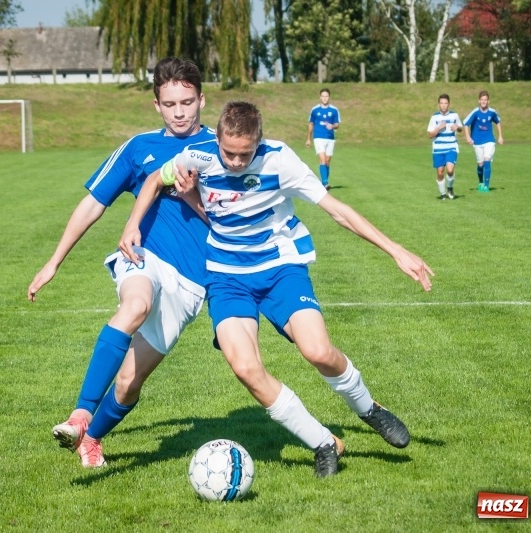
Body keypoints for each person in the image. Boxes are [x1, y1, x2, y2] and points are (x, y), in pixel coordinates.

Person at [120, 101, 434, 478]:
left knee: (318, 352)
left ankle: (370, 410)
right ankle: (323, 443)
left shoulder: (280, 160)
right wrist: (132, 225)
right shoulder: (198, 155)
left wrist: (396, 250)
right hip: (226, 276)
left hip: (280, 268)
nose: (237, 162)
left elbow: (337, 210)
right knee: (245, 367)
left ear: (259, 141)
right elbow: (155, 179)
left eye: (245, 154)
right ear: (217, 140)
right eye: (229, 153)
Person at [26, 57, 214, 468]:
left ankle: (91, 438)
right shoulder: (138, 148)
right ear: (156, 105)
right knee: (135, 305)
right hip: (143, 256)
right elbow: (93, 205)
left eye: (187, 102)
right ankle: (80, 414)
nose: (179, 112)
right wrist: (54, 262)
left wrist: (193, 198)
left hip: (192, 282)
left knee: (129, 382)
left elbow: (236, 223)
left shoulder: (224, 150)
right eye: (169, 104)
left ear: (202, 99)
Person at [463, 90, 504, 192]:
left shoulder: (492, 112)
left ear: (488, 101)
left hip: (489, 140)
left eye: (485, 100)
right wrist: (468, 137)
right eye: (482, 99)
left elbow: (498, 122)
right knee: (480, 164)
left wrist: (500, 136)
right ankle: (481, 182)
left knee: (487, 159)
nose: (483, 101)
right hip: (477, 142)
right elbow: (465, 123)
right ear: (479, 100)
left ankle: (486, 185)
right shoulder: (475, 112)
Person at [427, 93, 463, 200]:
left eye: (445, 103)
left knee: (450, 170)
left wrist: (457, 127)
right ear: (438, 104)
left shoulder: (454, 115)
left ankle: (450, 188)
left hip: (451, 147)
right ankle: (443, 194)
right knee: (440, 173)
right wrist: (439, 128)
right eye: (441, 103)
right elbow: (430, 135)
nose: (443, 105)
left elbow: (460, 128)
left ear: (449, 104)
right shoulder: (434, 117)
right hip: (438, 149)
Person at [306, 88, 340, 190]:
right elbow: (311, 124)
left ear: (329, 97)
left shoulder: (334, 110)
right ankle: (325, 183)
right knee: (323, 159)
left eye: (326, 96)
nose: (325, 98)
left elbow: (337, 124)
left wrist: (332, 126)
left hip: (330, 138)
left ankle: (324, 181)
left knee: (328, 161)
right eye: (323, 96)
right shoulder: (315, 110)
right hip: (318, 137)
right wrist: (308, 139)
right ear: (320, 97)